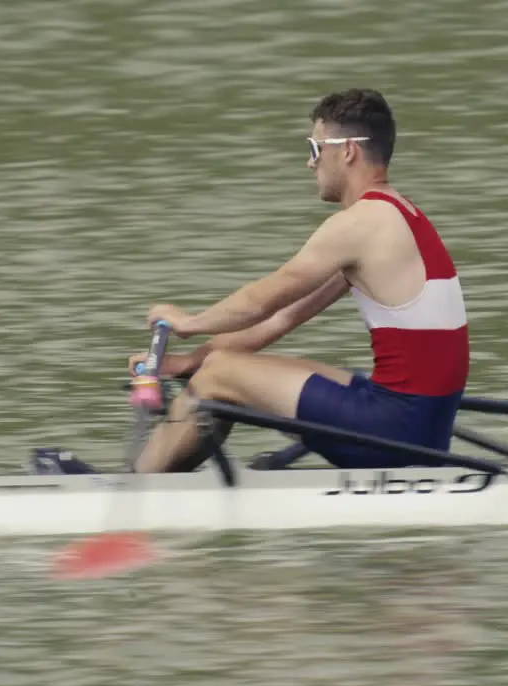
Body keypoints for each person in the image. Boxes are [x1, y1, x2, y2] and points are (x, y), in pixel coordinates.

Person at [130, 88, 469, 473]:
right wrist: (189, 361)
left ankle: (136, 486)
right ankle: (163, 474)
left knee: (219, 374)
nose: (310, 164)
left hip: (396, 430)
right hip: (424, 427)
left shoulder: (360, 224)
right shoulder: (404, 215)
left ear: (347, 151)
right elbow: (281, 319)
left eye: (314, 148)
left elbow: (262, 302)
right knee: (222, 365)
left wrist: (188, 323)